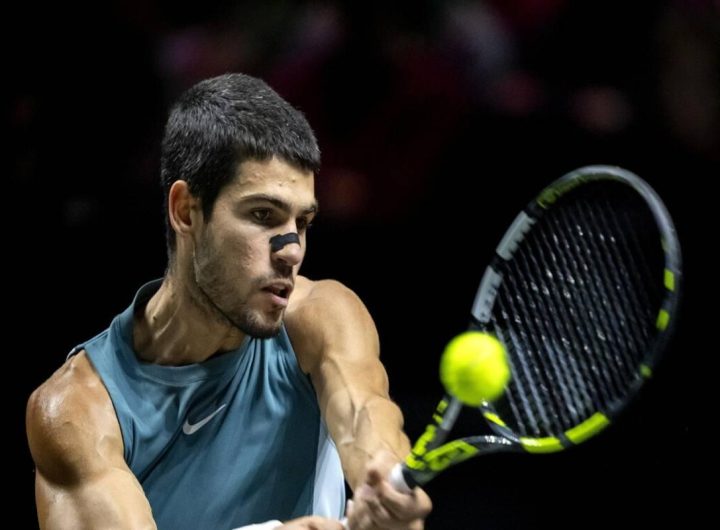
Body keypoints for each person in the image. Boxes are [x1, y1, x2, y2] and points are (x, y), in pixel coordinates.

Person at [26, 73, 431, 529]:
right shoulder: (77, 410)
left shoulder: (321, 317)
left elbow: (366, 419)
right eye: (263, 215)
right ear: (185, 210)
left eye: (303, 223)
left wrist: (385, 485)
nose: (291, 250)